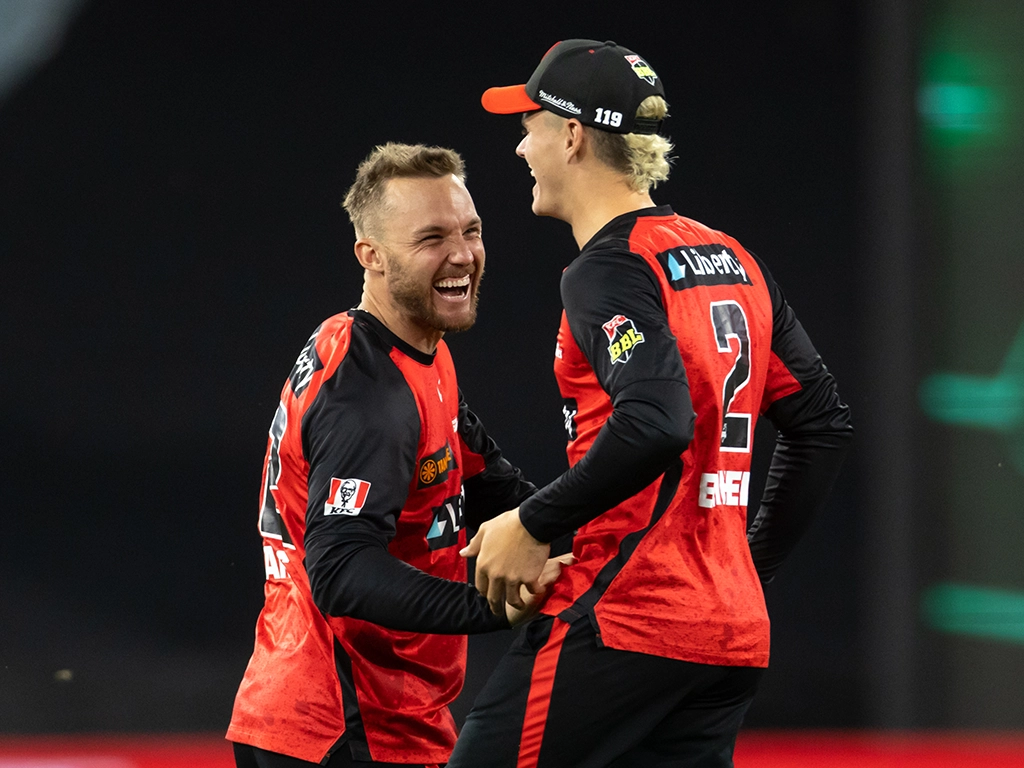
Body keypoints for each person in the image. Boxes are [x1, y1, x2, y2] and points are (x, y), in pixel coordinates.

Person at [449, 40, 854, 767]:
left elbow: (657, 421)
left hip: (627, 615)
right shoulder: (733, 259)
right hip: (728, 638)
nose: (520, 148)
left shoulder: (606, 269)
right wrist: (743, 568)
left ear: (572, 135)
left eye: (530, 126)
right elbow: (821, 426)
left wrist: (532, 521)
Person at [226, 142, 570, 768]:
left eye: (471, 230)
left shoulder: (413, 351)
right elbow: (341, 570)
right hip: (341, 729)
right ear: (372, 257)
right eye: (432, 238)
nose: (463, 254)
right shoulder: (370, 396)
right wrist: (490, 606)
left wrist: (612, 537)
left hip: (354, 723)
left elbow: (488, 477)